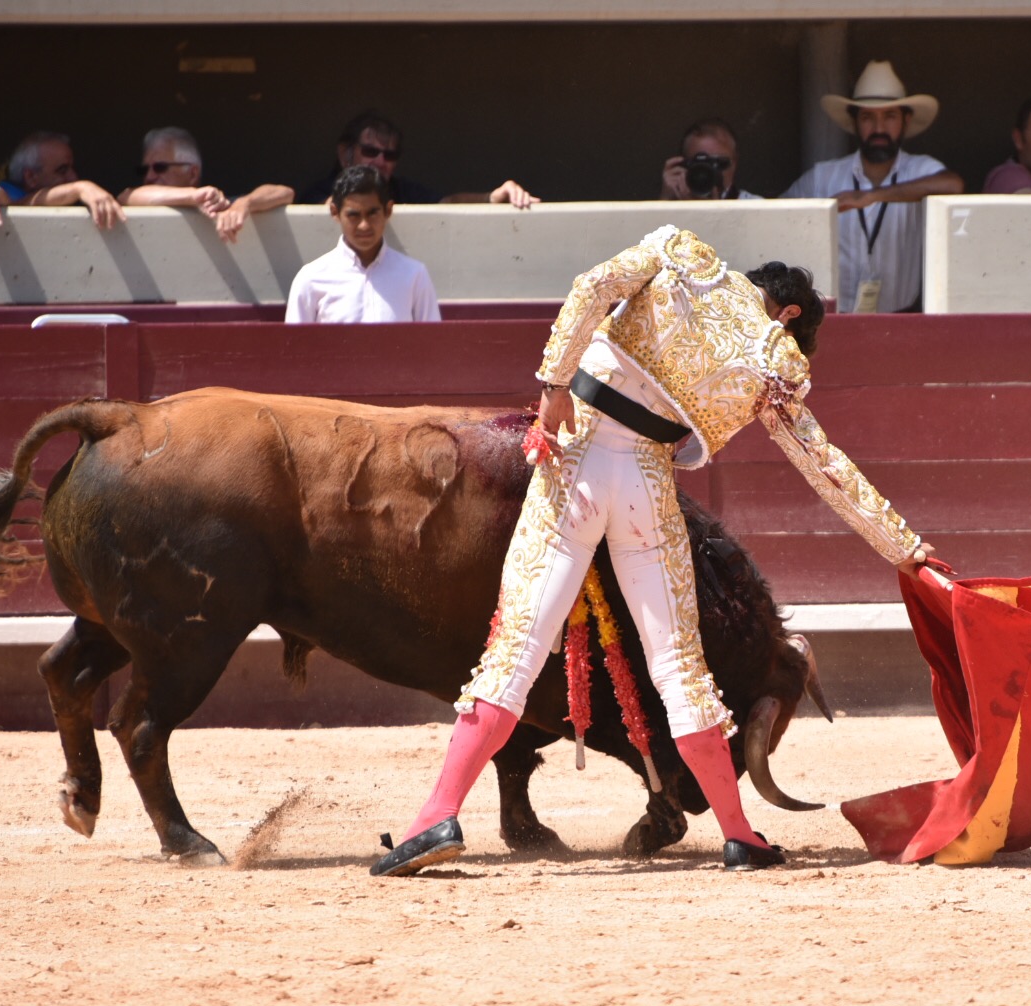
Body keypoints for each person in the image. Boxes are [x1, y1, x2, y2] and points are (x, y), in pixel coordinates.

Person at [371, 226, 937, 878]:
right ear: (788, 315)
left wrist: (555, 385)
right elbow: (826, 467)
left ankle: (438, 814)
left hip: (575, 455)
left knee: (517, 651)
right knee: (679, 669)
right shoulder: (778, 360)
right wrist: (908, 551)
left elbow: (591, 288)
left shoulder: (680, 252)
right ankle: (739, 834)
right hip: (645, 480)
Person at [781, 60, 964, 313]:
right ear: (854, 121)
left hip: (902, 317)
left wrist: (871, 196)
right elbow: (779, 218)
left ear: (906, 120)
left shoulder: (921, 170)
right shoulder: (823, 176)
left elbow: (953, 185)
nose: (879, 128)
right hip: (832, 320)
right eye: (868, 117)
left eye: (889, 116)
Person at [285, 165, 440, 324]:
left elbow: (432, 344)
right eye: (354, 215)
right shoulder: (311, 279)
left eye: (372, 213)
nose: (364, 225)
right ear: (334, 212)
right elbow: (295, 346)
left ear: (388, 211)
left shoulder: (414, 276)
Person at [299, 109, 537, 209]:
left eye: (390, 155)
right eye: (371, 152)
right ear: (345, 154)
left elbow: (447, 203)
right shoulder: (316, 194)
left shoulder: (403, 190)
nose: (380, 162)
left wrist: (491, 197)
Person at [117, 126, 294, 243]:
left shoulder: (218, 205)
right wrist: (194, 197)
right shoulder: (140, 199)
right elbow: (127, 196)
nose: (149, 176)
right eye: (144, 170)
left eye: (160, 167)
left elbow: (284, 192)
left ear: (193, 173)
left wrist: (244, 204)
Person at [0, 131, 126, 233]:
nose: (73, 177)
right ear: (31, 177)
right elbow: (19, 205)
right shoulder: (10, 191)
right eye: (62, 170)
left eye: (72, 168)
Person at [660, 117, 760, 200]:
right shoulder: (669, 207)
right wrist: (665, 204)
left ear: (735, 163)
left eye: (719, 163)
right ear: (682, 164)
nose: (708, 172)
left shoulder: (756, 208)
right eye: (699, 163)